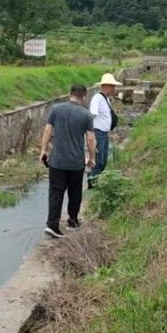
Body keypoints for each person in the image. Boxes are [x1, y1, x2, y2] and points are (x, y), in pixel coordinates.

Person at [40, 83, 96, 237]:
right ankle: (72, 220)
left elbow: (47, 130)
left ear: (69, 94)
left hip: (56, 161)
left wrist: (44, 150)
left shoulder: (56, 110)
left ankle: (52, 224)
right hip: (76, 162)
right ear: (84, 97)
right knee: (75, 192)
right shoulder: (86, 115)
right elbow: (90, 139)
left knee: (56, 192)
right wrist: (91, 158)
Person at [88, 72, 121, 188]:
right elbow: (91, 116)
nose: (114, 89)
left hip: (104, 133)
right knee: (98, 162)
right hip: (98, 133)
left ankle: (95, 183)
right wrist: (91, 136)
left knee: (103, 162)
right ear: (106, 86)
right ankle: (92, 185)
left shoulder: (106, 99)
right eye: (112, 86)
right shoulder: (97, 98)